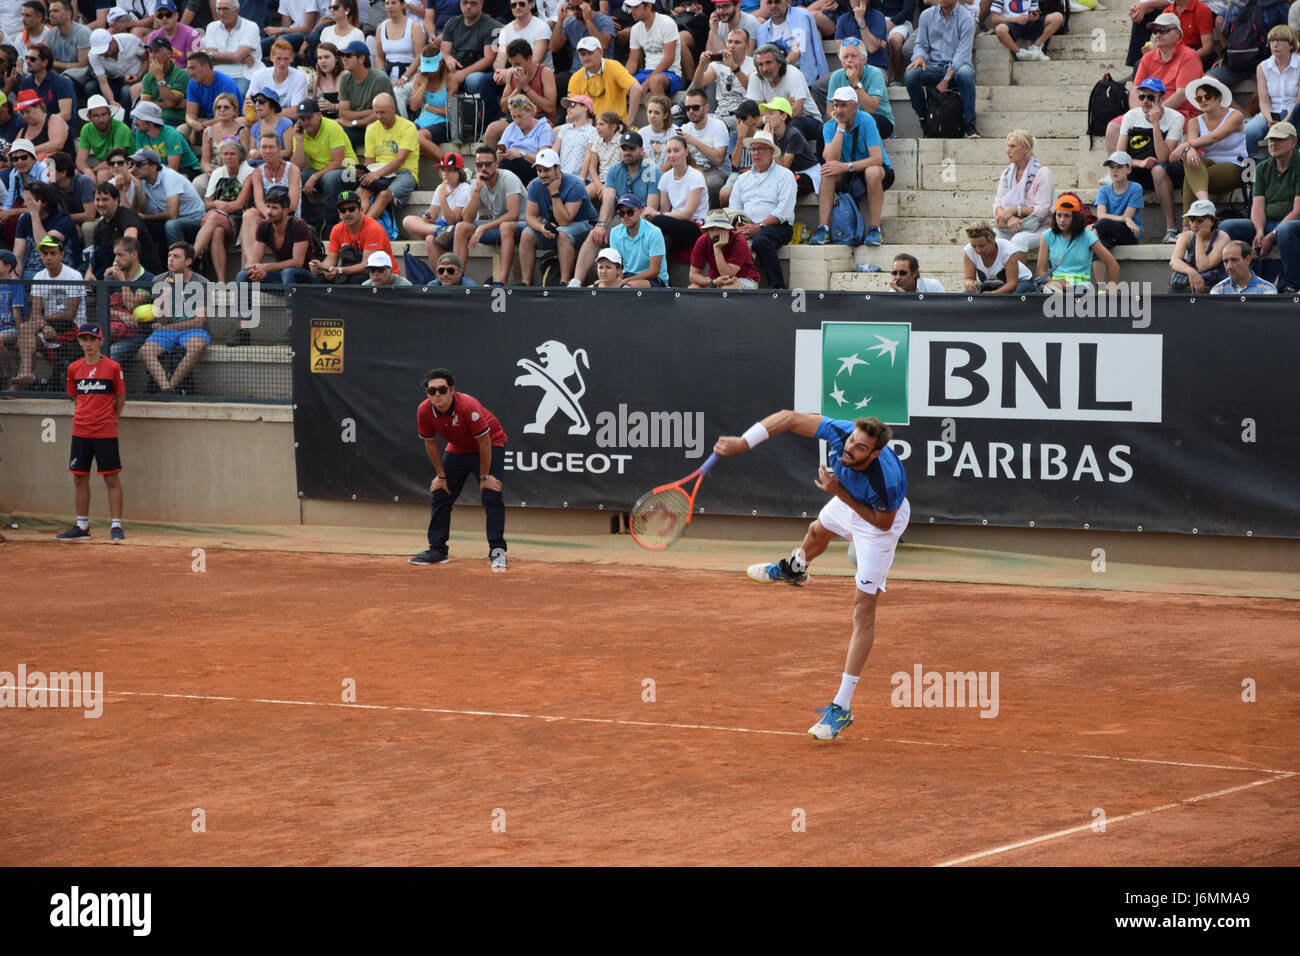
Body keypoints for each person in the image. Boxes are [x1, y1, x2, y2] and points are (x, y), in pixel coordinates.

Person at [713, 412, 909, 741]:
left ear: (875, 454)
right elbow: (788, 418)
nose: (851, 449)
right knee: (817, 532)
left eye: (860, 448)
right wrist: (744, 443)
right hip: (849, 499)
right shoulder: (842, 433)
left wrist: (839, 491)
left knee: (862, 612)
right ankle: (795, 570)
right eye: (851, 441)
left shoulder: (887, 481)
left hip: (878, 523)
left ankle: (841, 707)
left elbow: (883, 523)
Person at [409, 366, 509, 571]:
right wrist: (441, 476)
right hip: (458, 448)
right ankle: (437, 551)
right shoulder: (424, 411)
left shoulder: (468, 406)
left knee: (491, 493)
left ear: (452, 390)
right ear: (427, 393)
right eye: (432, 391)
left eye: (442, 390)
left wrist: (485, 476)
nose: (437, 395)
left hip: (490, 443)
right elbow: (430, 444)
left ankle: (497, 551)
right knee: (440, 493)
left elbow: (484, 442)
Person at [54, 323, 126, 541]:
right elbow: (75, 397)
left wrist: (110, 418)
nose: (89, 343)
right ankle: (82, 526)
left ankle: (116, 526)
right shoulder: (74, 368)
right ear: (79, 342)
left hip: (105, 431)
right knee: (79, 478)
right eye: (84, 339)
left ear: (101, 341)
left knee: (111, 478)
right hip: (81, 431)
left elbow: (120, 399)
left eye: (93, 339)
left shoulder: (113, 367)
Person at [1219, 121, 1300, 293]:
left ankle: (1293, 286)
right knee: (1226, 227)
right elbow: (1257, 207)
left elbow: (1298, 210)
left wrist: (1272, 234)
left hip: (1293, 225)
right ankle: (1230, 281)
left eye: (1278, 140)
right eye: (1270, 140)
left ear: (1293, 142)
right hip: (1268, 224)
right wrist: (1260, 232)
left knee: (1285, 229)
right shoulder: (1263, 168)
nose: (1272, 144)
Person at [571, 128, 660, 283]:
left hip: (643, 218)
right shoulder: (614, 170)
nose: (627, 152)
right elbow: (608, 200)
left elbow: (650, 208)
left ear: (641, 150)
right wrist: (601, 225)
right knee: (595, 234)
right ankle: (576, 282)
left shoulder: (652, 170)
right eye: (624, 148)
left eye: (631, 148)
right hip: (622, 216)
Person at [811, 86, 893, 246]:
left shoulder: (867, 120)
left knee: (873, 172)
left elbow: (877, 159)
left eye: (844, 105)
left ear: (855, 107)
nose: (839, 110)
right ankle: (823, 229)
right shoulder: (830, 126)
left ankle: (875, 229)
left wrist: (845, 167)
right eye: (836, 105)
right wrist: (840, 128)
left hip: (873, 170)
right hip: (848, 172)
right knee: (827, 171)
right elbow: (830, 158)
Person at [11, 234, 86, 387]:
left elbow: (70, 313)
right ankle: (26, 374)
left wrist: (44, 321)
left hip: (72, 328)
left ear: (62, 255)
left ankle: (20, 383)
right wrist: (44, 326)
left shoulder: (74, 276)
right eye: (45, 253)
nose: (48, 257)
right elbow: (36, 311)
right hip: (48, 326)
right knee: (25, 332)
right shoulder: (39, 276)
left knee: (26, 333)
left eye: (53, 253)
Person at [519, 145, 598, 284]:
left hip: (586, 225)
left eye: (547, 170)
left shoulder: (575, 184)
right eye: (539, 170)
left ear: (558, 168)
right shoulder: (536, 184)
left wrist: (554, 193)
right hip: (559, 225)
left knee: (562, 233)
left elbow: (564, 221)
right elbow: (530, 217)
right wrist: (542, 228)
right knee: (527, 234)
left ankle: (564, 283)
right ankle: (526, 283)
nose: (542, 174)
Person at [1118, 77, 1184, 242]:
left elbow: (1164, 157)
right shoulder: (1131, 116)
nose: (1145, 101)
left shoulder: (1175, 118)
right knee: (1116, 172)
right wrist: (1138, 162)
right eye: (1142, 97)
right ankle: (1119, 228)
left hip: (1167, 170)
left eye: (1150, 97)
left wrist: (1155, 124)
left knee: (1158, 169)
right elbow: (1119, 157)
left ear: (1160, 97)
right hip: (1138, 167)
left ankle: (1171, 229)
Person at [728, 128, 795, 288]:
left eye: (760, 149)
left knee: (761, 240)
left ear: (771, 152)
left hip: (777, 226)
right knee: (719, 238)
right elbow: (734, 206)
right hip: (746, 225)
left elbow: (783, 211)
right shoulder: (742, 178)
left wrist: (759, 227)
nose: (756, 153)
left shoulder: (785, 175)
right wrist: (738, 225)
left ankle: (778, 287)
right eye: (753, 149)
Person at [141, 240, 210, 393]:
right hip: (167, 330)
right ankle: (166, 388)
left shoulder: (201, 283)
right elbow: (161, 319)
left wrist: (166, 326)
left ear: (188, 261)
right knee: (146, 350)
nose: (171, 259)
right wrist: (166, 292)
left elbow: (199, 321)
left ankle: (170, 387)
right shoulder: (159, 280)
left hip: (193, 330)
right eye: (169, 256)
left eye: (176, 256)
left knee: (196, 346)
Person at [1169, 75, 1245, 212]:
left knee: (1191, 179)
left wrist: (1185, 145)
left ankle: (1188, 227)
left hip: (1235, 164)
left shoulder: (1235, 115)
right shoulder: (1195, 122)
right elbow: (1192, 143)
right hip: (1208, 164)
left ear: (1218, 97)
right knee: (1190, 160)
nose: (1203, 100)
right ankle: (1205, 205)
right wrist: (1189, 149)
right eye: (1199, 98)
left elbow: (1214, 137)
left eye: (1207, 96)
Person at [453, 145, 526, 285]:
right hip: (499, 226)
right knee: (461, 227)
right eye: (479, 165)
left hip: (522, 225)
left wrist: (483, 228)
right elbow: (467, 218)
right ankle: (457, 279)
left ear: (496, 164)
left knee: (505, 226)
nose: (483, 168)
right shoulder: (476, 184)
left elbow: (514, 214)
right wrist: (477, 189)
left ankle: (501, 282)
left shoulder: (508, 178)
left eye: (487, 164)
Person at [905, 0, 978, 138]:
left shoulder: (967, 18)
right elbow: (920, 44)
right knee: (911, 75)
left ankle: (970, 124)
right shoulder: (926, 15)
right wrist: (919, 56)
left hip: (958, 67)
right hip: (934, 66)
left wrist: (946, 78)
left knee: (966, 74)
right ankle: (924, 117)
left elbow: (962, 54)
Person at [296, 188, 398, 284]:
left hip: (383, 275)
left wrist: (339, 270)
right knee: (321, 279)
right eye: (343, 210)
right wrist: (321, 268)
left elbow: (367, 266)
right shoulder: (337, 229)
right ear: (339, 214)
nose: (347, 213)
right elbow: (331, 260)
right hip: (352, 273)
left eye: (351, 209)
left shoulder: (373, 228)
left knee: (355, 280)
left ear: (361, 210)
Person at [291, 97, 355, 232]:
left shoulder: (332, 127)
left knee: (330, 179)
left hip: (348, 172)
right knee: (294, 179)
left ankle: (333, 226)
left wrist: (314, 177)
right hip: (322, 173)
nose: (305, 122)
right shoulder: (300, 133)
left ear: (319, 115)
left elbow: (338, 162)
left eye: (308, 118)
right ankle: (312, 222)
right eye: (302, 119)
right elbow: (297, 166)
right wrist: (299, 141)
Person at [357, 90, 418, 231]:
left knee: (384, 194)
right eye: (376, 112)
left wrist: (376, 174)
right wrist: (364, 173)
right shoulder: (371, 128)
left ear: (393, 109)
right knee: (361, 192)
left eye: (382, 112)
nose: (378, 116)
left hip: (405, 173)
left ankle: (363, 230)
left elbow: (400, 160)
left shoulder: (408, 127)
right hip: (379, 172)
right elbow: (369, 160)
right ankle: (355, 228)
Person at [1035, 193, 1119, 291]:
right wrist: (1055, 282)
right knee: (1051, 294)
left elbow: (1113, 266)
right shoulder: (1047, 235)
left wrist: (1108, 294)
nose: (1062, 220)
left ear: (1075, 218)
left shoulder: (1087, 236)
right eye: (1059, 215)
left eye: (1067, 216)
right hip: (1056, 286)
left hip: (1081, 286)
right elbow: (1040, 271)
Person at [194, 138, 252, 279]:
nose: (228, 157)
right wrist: (217, 204)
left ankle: (190, 258)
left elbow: (239, 205)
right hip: (219, 219)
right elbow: (207, 203)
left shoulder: (250, 173)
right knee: (217, 232)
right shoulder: (218, 172)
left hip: (241, 219)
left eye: (232, 154)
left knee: (212, 217)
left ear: (240, 156)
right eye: (225, 154)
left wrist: (216, 208)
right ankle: (221, 281)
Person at [746, 43, 822, 148]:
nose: (764, 69)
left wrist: (770, 114)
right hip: (777, 120)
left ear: (779, 63)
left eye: (768, 63)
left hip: (808, 119)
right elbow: (759, 112)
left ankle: (797, 163)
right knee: (745, 128)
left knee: (793, 124)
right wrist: (784, 104)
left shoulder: (793, 74)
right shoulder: (755, 78)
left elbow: (796, 111)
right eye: (760, 64)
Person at [991, 128, 1053, 254]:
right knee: (990, 239)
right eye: (1007, 146)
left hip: (1037, 226)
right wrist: (1009, 218)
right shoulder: (1007, 174)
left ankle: (1021, 275)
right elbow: (997, 204)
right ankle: (997, 275)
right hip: (1009, 225)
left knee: (1019, 240)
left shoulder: (1043, 173)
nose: (1007, 151)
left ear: (1026, 149)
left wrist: (1015, 210)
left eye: (1012, 146)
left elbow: (1042, 209)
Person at [402, 150, 472, 261]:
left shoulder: (465, 189)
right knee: (407, 220)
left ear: (460, 172)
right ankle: (438, 231)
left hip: (459, 229)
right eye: (443, 170)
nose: (445, 174)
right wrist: (427, 217)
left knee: (430, 238)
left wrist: (442, 198)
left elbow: (453, 221)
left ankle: (439, 231)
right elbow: (432, 214)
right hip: (444, 227)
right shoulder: (441, 187)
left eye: (450, 170)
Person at [130, 145, 205, 247]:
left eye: (138, 165)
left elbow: (172, 215)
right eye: (132, 164)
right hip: (173, 220)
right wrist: (137, 188)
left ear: (153, 167)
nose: (133, 169)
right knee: (138, 225)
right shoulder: (143, 180)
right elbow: (139, 211)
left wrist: (146, 217)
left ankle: (179, 261)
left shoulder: (170, 177)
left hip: (195, 220)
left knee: (172, 225)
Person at [820, 36, 893, 139]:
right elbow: (829, 110)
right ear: (841, 62)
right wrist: (839, 120)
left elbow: (870, 109)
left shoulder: (875, 74)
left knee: (861, 123)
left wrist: (855, 81)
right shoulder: (836, 76)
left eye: (853, 56)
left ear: (863, 59)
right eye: (845, 57)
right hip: (846, 119)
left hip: (879, 118)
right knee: (823, 130)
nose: (849, 60)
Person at [439, 0, 502, 120]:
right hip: (454, 68)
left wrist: (463, 73)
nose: (468, 6)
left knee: (474, 80)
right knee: (427, 72)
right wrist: (447, 58)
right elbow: (444, 51)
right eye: (465, 2)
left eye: (473, 3)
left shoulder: (492, 26)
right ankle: (441, 117)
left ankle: (480, 119)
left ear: (481, 4)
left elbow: (489, 58)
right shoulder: (452, 23)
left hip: (480, 71)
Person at [103, 234, 157, 366]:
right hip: (110, 329)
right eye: (115, 255)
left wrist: (122, 281)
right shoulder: (110, 279)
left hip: (137, 333)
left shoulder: (148, 279)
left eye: (120, 255)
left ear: (134, 254)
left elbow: (131, 305)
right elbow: (102, 307)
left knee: (113, 353)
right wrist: (121, 315)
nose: (116, 260)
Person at [650, 133, 707, 255]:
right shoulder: (665, 177)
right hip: (674, 223)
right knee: (665, 241)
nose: (672, 155)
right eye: (669, 151)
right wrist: (660, 215)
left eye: (676, 151)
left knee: (656, 220)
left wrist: (657, 214)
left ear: (686, 152)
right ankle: (661, 274)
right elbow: (665, 209)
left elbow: (687, 214)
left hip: (695, 225)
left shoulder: (696, 176)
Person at [692, 26, 755, 131]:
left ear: (747, 47)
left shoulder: (754, 65)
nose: (732, 46)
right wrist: (701, 65)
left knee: (718, 125)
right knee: (697, 121)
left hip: (742, 116)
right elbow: (698, 84)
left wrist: (733, 67)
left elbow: (752, 88)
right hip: (720, 113)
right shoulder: (718, 64)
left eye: (737, 42)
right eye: (729, 42)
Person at [566, 34, 639, 123]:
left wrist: (629, 121)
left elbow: (636, 88)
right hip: (589, 127)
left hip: (613, 125)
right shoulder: (576, 77)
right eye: (582, 55)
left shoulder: (613, 66)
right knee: (556, 131)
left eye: (590, 53)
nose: (586, 58)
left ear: (601, 52)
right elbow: (572, 108)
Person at [677, 87, 730, 208]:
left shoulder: (718, 126)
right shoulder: (685, 128)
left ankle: (710, 219)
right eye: (687, 108)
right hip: (694, 171)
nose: (691, 111)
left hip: (717, 172)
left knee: (711, 183)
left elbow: (718, 159)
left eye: (695, 107)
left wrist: (694, 141)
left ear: (706, 108)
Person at [338, 39, 395, 150]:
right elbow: (343, 114)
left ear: (362, 59)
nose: (344, 59)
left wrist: (354, 123)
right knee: (334, 129)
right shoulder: (345, 79)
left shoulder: (380, 79)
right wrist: (370, 112)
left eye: (348, 55)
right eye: (342, 55)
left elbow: (381, 115)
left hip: (383, 127)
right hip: (361, 127)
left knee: (369, 127)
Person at [757, 0, 828, 87]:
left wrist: (777, 69)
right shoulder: (762, 30)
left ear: (788, 2)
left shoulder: (801, 16)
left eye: (777, 2)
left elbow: (798, 48)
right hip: (777, 82)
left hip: (805, 80)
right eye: (769, 2)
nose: (773, 5)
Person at [550, 1, 615, 97]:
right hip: (576, 74)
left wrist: (588, 20)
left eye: (579, 8)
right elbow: (554, 47)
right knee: (551, 82)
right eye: (572, 8)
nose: (575, 12)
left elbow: (603, 45)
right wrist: (560, 20)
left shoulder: (604, 21)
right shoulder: (570, 22)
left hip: (600, 73)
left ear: (589, 3)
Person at [182, 49, 242, 149]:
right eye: (189, 69)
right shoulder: (192, 83)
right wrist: (194, 124)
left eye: (193, 68)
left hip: (231, 120)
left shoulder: (226, 83)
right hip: (208, 121)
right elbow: (189, 115)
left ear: (206, 67)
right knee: (181, 130)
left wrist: (202, 125)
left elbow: (228, 114)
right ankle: (189, 161)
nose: (190, 73)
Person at [604, 191, 666, 286]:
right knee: (598, 286)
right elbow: (616, 266)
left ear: (640, 211)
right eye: (621, 213)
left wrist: (626, 281)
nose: (625, 216)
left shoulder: (654, 232)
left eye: (630, 212)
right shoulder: (615, 232)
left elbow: (654, 271)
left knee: (628, 287)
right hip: (627, 275)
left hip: (655, 279)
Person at [761, 95, 820, 195]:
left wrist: (770, 143)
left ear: (783, 116)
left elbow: (783, 169)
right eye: (766, 113)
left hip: (808, 174)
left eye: (771, 113)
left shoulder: (793, 135)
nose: (767, 117)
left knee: (783, 185)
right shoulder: (772, 134)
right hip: (792, 173)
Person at [688, 206, 760, 288]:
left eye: (719, 228)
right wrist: (713, 282)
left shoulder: (739, 240)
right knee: (693, 288)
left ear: (728, 229)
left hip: (744, 279)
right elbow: (693, 276)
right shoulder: (702, 241)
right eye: (711, 229)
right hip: (716, 279)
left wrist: (717, 248)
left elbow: (727, 275)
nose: (715, 233)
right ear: (707, 230)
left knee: (726, 289)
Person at [1167, 197, 1228, 291]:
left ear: (1212, 221)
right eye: (1191, 220)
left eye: (1199, 221)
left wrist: (1199, 238)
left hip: (1216, 281)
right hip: (1194, 276)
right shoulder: (1185, 236)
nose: (1194, 225)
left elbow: (1203, 266)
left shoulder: (1222, 237)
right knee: (1174, 286)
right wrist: (1191, 272)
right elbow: (1174, 261)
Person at [202, 0, 260, 98]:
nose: (221, 13)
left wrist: (213, 55)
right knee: (202, 93)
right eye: (219, 9)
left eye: (225, 9)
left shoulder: (251, 27)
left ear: (236, 11)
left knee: (237, 93)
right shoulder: (212, 26)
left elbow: (237, 56)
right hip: (216, 73)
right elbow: (237, 57)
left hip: (242, 74)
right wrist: (240, 58)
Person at [626, 0, 683, 99]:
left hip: (671, 73)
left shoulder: (667, 22)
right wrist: (621, 79)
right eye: (631, 7)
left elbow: (669, 58)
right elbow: (632, 62)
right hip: (647, 72)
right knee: (622, 84)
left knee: (655, 81)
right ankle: (628, 115)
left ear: (648, 6)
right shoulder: (635, 29)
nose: (631, 11)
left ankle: (660, 114)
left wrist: (647, 83)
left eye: (635, 7)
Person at [496, 91, 554, 182]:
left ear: (530, 112)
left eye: (520, 116)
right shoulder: (511, 127)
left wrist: (521, 154)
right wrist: (499, 155)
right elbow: (499, 152)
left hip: (533, 169)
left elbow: (544, 159)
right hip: (509, 168)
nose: (517, 121)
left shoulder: (543, 127)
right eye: (514, 117)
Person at [134, 97, 201, 174]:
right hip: (162, 170)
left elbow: (173, 169)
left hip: (188, 169)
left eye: (138, 119)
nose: (134, 122)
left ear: (150, 122)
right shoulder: (140, 133)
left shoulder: (171, 135)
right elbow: (140, 162)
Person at [960, 221, 1031, 292]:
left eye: (982, 246)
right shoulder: (968, 250)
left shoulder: (1008, 250)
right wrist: (969, 283)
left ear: (992, 241)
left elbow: (1012, 284)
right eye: (974, 246)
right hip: (990, 283)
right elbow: (968, 278)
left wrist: (993, 294)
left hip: (1021, 281)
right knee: (966, 294)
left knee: (1006, 301)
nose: (978, 250)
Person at [247, 38, 309, 120]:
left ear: (292, 58)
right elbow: (247, 107)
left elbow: (295, 112)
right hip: (261, 120)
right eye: (278, 58)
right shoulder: (259, 75)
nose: (282, 63)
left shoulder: (299, 77)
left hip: (287, 122)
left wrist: (266, 112)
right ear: (271, 57)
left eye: (286, 59)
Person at [76, 93, 133, 181]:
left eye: (104, 114)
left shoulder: (121, 128)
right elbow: (80, 160)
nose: (101, 119)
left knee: (102, 174)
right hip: (110, 167)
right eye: (96, 116)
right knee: (76, 173)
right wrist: (87, 171)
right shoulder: (86, 129)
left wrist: (93, 171)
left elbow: (115, 160)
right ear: (89, 117)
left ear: (110, 114)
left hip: (128, 168)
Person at [88, 27, 147, 111]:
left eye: (105, 50)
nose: (103, 55)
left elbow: (146, 59)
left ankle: (127, 120)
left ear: (112, 42)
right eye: (100, 53)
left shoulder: (130, 40)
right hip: (113, 79)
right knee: (91, 87)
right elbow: (103, 82)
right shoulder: (93, 55)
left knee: (126, 91)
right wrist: (111, 101)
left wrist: (139, 75)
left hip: (135, 76)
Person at [140, 37, 191, 131]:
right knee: (137, 128)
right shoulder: (148, 77)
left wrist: (160, 79)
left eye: (156, 51)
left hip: (174, 122)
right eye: (151, 52)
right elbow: (145, 105)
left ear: (169, 53)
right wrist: (170, 105)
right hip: (152, 122)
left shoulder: (182, 74)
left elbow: (170, 102)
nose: (152, 56)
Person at [18, 41, 75, 124]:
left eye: (32, 59)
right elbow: (20, 109)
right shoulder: (25, 83)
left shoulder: (61, 82)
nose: (27, 61)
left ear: (45, 62)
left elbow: (66, 114)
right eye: (27, 58)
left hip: (57, 126)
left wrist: (43, 124)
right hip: (34, 125)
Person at [411, 45, 452, 161]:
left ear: (440, 64)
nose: (429, 71)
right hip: (422, 122)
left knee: (419, 137)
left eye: (432, 67)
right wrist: (424, 83)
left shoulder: (450, 79)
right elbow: (414, 106)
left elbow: (450, 112)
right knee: (403, 136)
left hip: (444, 123)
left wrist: (426, 106)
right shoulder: (419, 78)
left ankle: (451, 166)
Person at [989, 0, 1061, 62]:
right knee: (1000, 29)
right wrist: (1015, 19)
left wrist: (1034, 16)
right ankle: (1020, 53)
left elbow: (1034, 12)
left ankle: (1036, 46)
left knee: (1058, 17)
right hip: (1011, 25)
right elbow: (994, 19)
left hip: (1028, 24)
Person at [14, 88, 68, 161]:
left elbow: (57, 144)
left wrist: (29, 151)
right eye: (22, 113)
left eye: (28, 111)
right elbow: (15, 152)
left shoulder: (54, 120)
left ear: (38, 107)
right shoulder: (22, 131)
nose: (25, 116)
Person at [148, 0, 204, 67]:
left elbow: (193, 67)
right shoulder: (153, 37)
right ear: (156, 18)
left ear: (176, 15)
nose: (164, 18)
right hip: (161, 73)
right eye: (160, 16)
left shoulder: (192, 34)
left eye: (168, 15)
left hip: (185, 75)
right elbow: (152, 65)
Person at [1210, 239, 1278, 293]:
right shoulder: (1217, 291)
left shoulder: (1268, 290)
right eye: (1225, 261)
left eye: (1234, 260)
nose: (1229, 266)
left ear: (1248, 260)